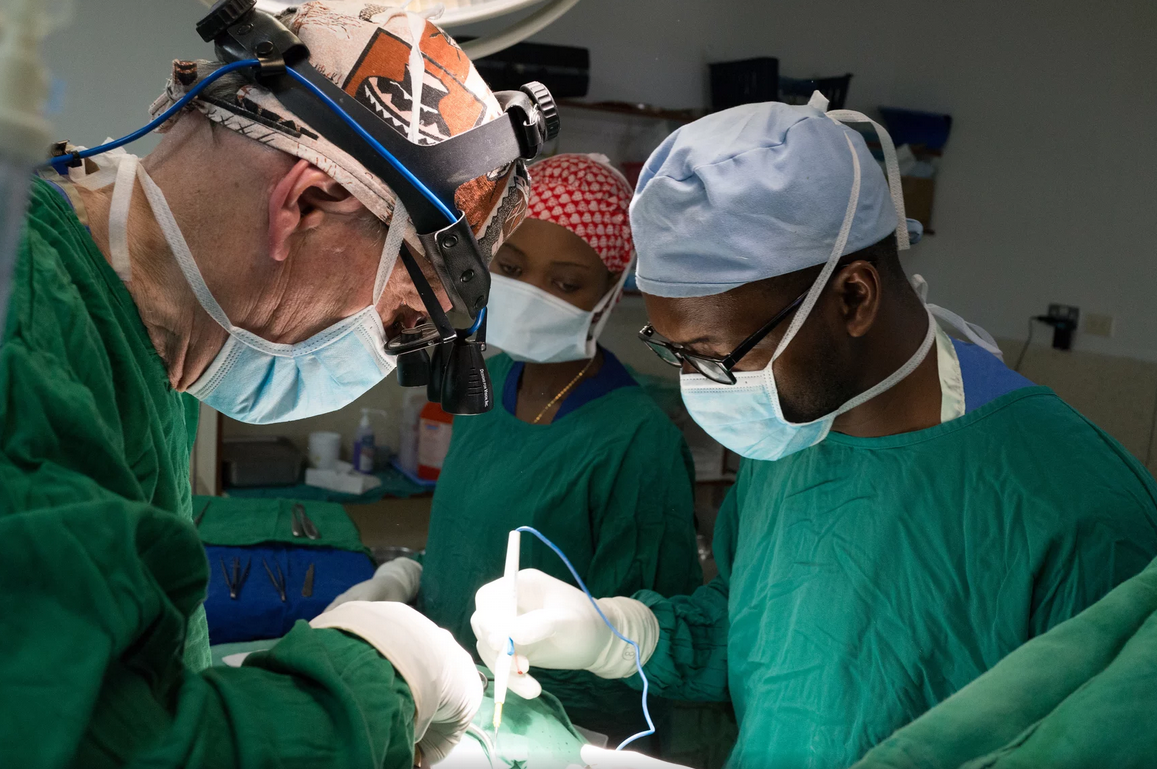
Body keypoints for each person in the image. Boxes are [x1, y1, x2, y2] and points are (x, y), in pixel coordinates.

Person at [471, 96, 1157, 768]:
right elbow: (760, 633)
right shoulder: (788, 430)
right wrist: (623, 636)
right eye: (675, 351)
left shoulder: (1079, 510)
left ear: (853, 296)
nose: (700, 382)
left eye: (717, 355)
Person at [0, 3, 533, 766]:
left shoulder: (137, 335)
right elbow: (104, 746)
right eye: (401, 318)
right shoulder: (24, 325)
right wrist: (377, 679)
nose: (384, 351)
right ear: (306, 203)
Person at [328, 153, 704, 746]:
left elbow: (648, 640)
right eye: (511, 266)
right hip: (444, 697)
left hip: (561, 726)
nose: (531, 293)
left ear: (611, 291)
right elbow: (471, 544)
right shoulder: (484, 384)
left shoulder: (637, 441)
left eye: (566, 283)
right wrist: (409, 579)